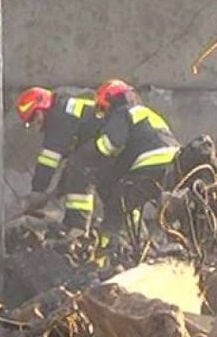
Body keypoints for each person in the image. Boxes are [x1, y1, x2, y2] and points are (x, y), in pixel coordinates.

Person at [67, 79, 180, 238]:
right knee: (161, 209)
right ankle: (166, 244)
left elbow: (110, 144)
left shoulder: (122, 112)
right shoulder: (147, 112)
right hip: (174, 166)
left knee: (118, 205)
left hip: (149, 164)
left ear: (109, 100)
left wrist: (87, 152)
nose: (103, 114)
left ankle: (109, 249)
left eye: (103, 108)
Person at [15, 86, 101, 232]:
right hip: (107, 145)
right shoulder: (66, 109)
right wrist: (57, 191)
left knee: (77, 176)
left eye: (34, 117)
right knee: (76, 172)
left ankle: (77, 229)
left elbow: (49, 159)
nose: (36, 124)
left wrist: (37, 191)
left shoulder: (59, 115)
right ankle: (93, 225)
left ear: (42, 107)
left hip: (106, 143)